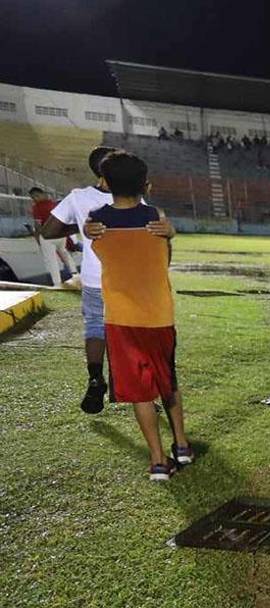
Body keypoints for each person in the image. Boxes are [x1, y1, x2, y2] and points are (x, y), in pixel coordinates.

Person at [84, 151, 192, 481]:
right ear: (146, 185)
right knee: (167, 379)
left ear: (104, 183)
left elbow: (98, 247)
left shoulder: (95, 223)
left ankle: (158, 461)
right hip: (158, 315)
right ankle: (183, 446)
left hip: (121, 319)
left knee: (140, 391)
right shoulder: (156, 220)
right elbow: (164, 261)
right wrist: (170, 235)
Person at [37, 146, 138, 413]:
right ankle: (128, 385)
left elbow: (48, 231)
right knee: (127, 329)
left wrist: (80, 225)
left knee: (95, 327)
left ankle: (96, 379)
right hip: (126, 278)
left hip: (94, 278)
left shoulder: (79, 197)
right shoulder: (131, 195)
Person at [27, 187, 77, 288]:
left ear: (40, 194)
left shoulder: (37, 207)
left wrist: (38, 237)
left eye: (35, 196)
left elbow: (38, 225)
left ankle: (57, 283)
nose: (35, 199)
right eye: (33, 198)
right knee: (64, 252)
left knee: (51, 259)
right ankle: (75, 274)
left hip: (47, 236)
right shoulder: (54, 204)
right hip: (60, 235)